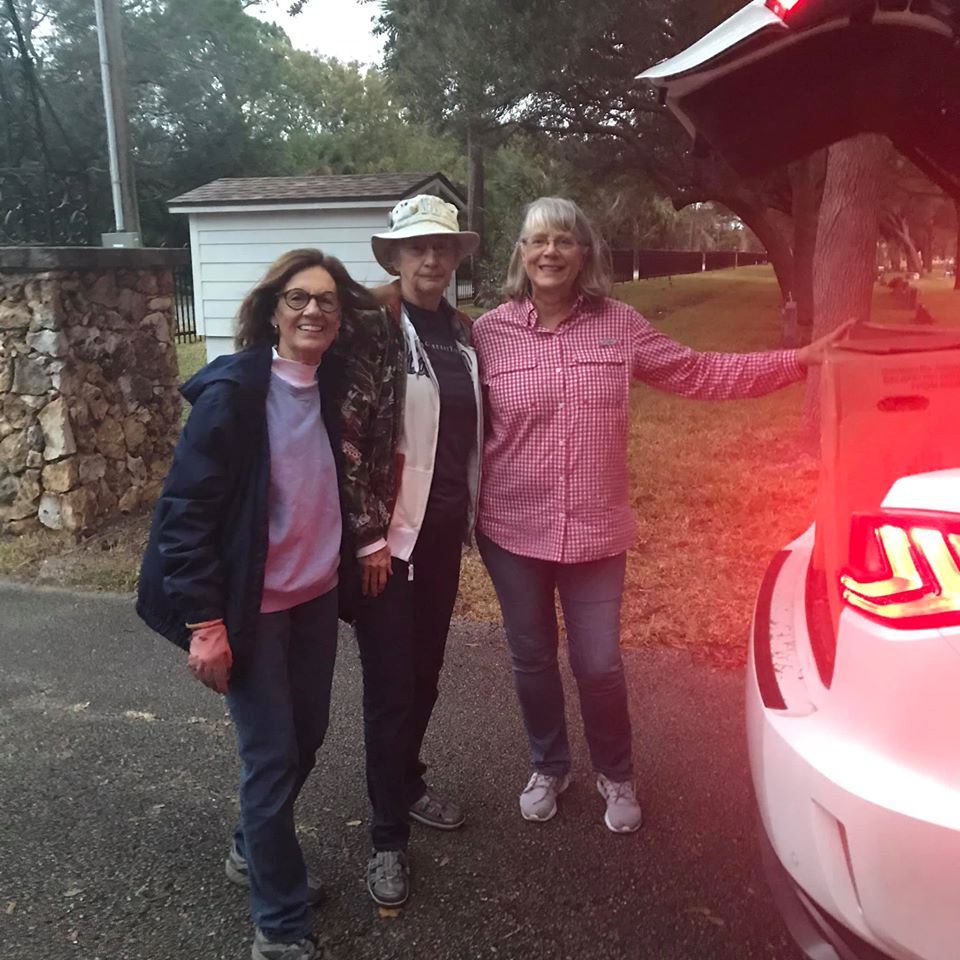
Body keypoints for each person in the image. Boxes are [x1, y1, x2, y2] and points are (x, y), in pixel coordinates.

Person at [472, 197, 848, 836]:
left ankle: (616, 774)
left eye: (564, 240)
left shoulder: (619, 326)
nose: (550, 252)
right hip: (512, 530)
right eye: (537, 241)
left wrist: (797, 361)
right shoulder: (486, 335)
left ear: (584, 253)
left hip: (594, 529)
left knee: (598, 664)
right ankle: (548, 764)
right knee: (530, 657)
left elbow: (697, 372)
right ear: (521, 255)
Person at [137, 249, 380, 960]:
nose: (314, 311)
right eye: (298, 298)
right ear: (272, 308)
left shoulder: (333, 386)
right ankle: (277, 925)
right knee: (271, 757)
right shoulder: (235, 395)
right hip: (251, 611)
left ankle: (252, 844)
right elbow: (184, 514)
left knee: (306, 739)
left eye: (327, 301)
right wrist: (206, 624)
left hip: (313, 600)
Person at [340, 194, 481, 908]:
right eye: (418, 248)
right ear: (394, 256)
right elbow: (347, 434)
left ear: (457, 257)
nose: (432, 259)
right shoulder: (372, 325)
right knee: (391, 684)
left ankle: (408, 780)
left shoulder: (461, 332)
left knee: (424, 673)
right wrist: (365, 533)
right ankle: (387, 835)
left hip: (441, 531)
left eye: (444, 248)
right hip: (382, 545)